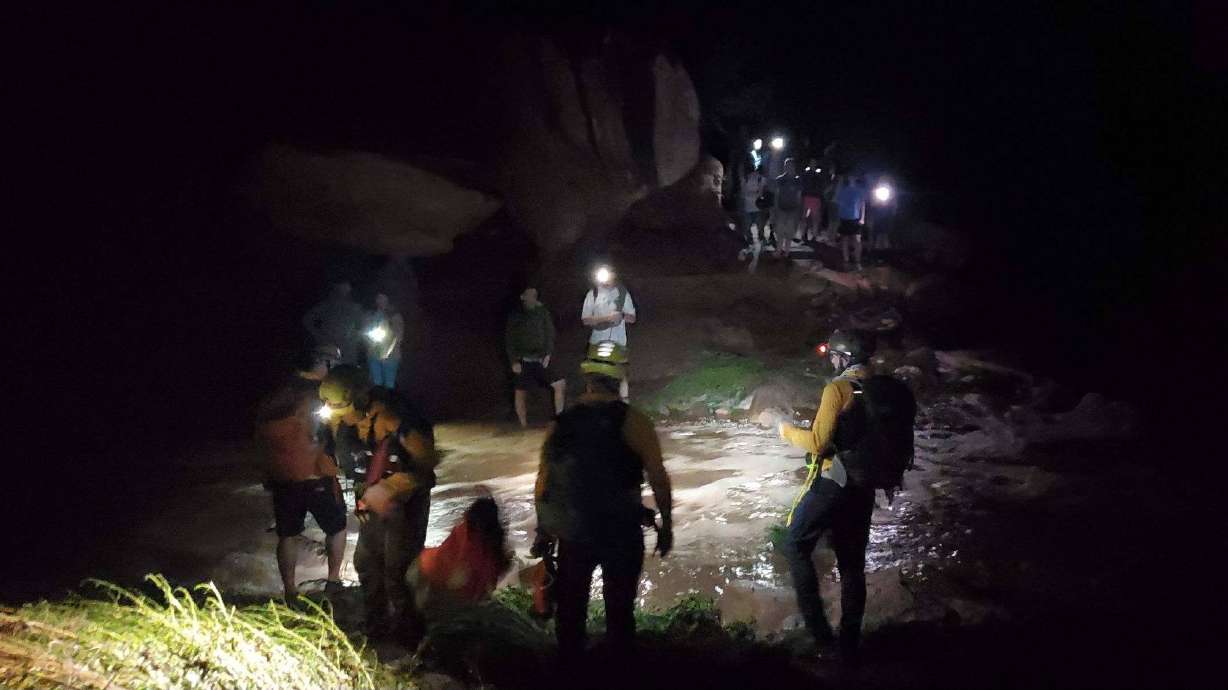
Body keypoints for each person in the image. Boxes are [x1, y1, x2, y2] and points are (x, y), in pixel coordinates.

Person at [532, 341, 673, 665]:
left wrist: (545, 531)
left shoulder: (561, 424)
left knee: (570, 614)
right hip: (621, 533)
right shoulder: (634, 422)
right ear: (620, 378)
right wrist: (667, 526)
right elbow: (659, 478)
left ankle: (570, 674)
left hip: (574, 534)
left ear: (587, 379)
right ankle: (618, 673)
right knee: (620, 613)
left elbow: (543, 484)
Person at [776, 330, 877, 665]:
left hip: (835, 483)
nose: (832, 361)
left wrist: (786, 431)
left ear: (845, 358)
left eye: (834, 356)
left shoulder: (837, 389)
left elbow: (818, 443)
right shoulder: (880, 389)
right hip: (865, 487)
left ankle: (821, 636)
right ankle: (849, 643)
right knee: (852, 563)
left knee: (794, 543)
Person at [318, 365, 437, 644]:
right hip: (370, 498)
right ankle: (377, 628)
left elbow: (427, 466)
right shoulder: (340, 421)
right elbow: (344, 459)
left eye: (342, 410)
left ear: (359, 399)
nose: (339, 418)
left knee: (399, 569)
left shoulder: (395, 417)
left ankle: (412, 637)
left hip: (404, 502)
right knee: (367, 564)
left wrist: (389, 487)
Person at [254, 351, 347, 603]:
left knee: (287, 534)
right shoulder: (318, 393)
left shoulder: (275, 394)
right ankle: (334, 580)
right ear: (321, 364)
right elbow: (330, 432)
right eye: (331, 364)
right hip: (315, 474)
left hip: (282, 477)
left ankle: (290, 590)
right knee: (337, 527)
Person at [506, 286, 565, 428]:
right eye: (530, 295)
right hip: (523, 360)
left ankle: (560, 419)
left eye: (535, 295)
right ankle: (523, 425)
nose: (533, 297)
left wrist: (548, 354)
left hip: (541, 359)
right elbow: (510, 339)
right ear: (523, 297)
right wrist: (514, 361)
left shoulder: (542, 312)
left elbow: (550, 334)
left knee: (560, 384)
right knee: (520, 392)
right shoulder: (516, 315)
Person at [580, 266, 636, 401]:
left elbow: (632, 318)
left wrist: (621, 315)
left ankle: (624, 402)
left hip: (618, 341)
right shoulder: (592, 294)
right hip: (597, 340)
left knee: (621, 372)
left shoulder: (622, 293)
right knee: (593, 372)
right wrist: (606, 319)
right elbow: (585, 319)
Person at [303, 280, 365, 365]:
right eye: (343, 287)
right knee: (329, 374)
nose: (346, 289)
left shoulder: (355, 307)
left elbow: (362, 326)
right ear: (337, 288)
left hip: (348, 350)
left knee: (347, 374)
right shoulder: (326, 305)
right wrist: (318, 335)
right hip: (328, 348)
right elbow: (307, 319)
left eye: (348, 287)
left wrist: (355, 338)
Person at [364, 292, 404, 389]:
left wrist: (387, 352)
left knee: (389, 385)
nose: (380, 301)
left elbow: (398, 336)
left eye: (383, 298)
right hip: (373, 354)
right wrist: (370, 344)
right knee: (376, 384)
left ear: (388, 299)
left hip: (391, 357)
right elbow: (365, 333)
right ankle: (377, 401)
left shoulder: (395, 316)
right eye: (379, 298)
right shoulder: (370, 315)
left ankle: (388, 402)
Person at [835, 175, 870, 271]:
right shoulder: (842, 189)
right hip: (844, 217)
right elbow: (837, 201)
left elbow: (863, 204)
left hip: (855, 218)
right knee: (845, 239)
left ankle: (857, 261)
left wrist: (862, 218)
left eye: (852, 177)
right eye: (850, 177)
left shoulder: (859, 190)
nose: (851, 178)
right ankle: (846, 260)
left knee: (857, 240)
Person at [773, 158, 804, 258]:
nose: (789, 167)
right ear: (785, 166)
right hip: (781, 208)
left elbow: (799, 196)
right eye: (787, 165)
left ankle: (787, 251)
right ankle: (779, 250)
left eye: (791, 165)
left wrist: (799, 211)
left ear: (794, 167)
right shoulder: (780, 179)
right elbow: (776, 195)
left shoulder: (797, 180)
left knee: (790, 232)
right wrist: (775, 209)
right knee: (780, 231)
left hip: (793, 209)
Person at [736, 167, 767, 247]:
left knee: (760, 226)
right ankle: (750, 240)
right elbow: (743, 193)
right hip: (747, 207)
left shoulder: (761, 179)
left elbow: (761, 193)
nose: (753, 173)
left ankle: (761, 238)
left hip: (758, 207)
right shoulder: (745, 179)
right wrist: (755, 193)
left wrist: (750, 193)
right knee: (747, 226)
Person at [800, 159, 826, 244]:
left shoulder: (818, 175)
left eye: (814, 163)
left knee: (813, 219)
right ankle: (804, 235)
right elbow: (802, 186)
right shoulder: (806, 174)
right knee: (805, 218)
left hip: (814, 198)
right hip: (808, 197)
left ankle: (812, 236)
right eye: (812, 163)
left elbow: (822, 187)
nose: (813, 165)